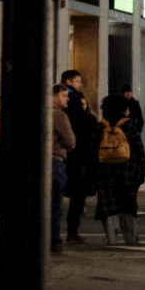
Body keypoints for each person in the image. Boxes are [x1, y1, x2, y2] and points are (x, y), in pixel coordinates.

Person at [93, 94, 145, 245]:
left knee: (109, 206)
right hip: (128, 173)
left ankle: (111, 237)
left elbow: (93, 151)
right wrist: (142, 171)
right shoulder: (130, 126)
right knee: (128, 206)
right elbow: (139, 151)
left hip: (105, 173)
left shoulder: (100, 127)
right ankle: (131, 238)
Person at [60, 71, 100, 242]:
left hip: (66, 157)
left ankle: (60, 232)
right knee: (77, 195)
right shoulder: (83, 117)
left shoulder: (62, 111)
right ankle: (71, 231)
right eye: (78, 81)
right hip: (78, 159)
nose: (81, 84)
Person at [50, 83, 75, 252]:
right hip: (56, 161)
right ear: (54, 97)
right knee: (55, 205)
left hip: (43, 163)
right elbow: (70, 141)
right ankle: (54, 239)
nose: (68, 99)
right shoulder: (59, 115)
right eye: (64, 96)